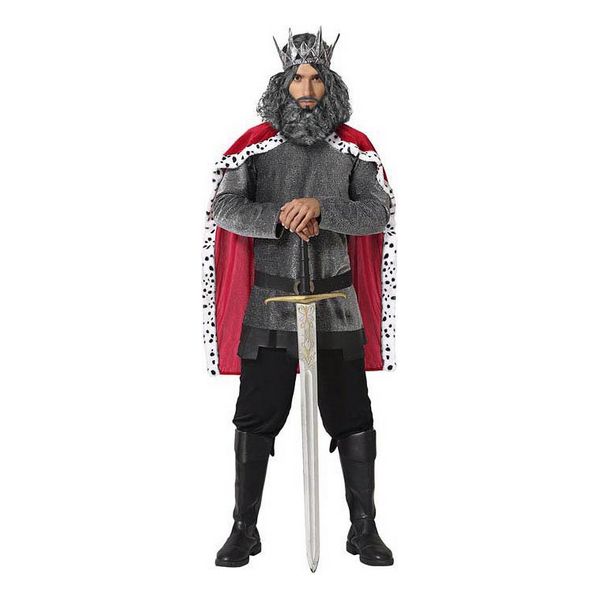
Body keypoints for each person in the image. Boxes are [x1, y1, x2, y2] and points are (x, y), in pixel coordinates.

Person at [202, 27, 398, 567]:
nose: (306, 89)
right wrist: (282, 215)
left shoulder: (354, 148)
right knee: (256, 416)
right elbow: (224, 208)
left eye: (316, 78)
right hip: (269, 305)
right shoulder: (255, 147)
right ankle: (244, 528)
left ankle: (364, 528)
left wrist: (323, 207)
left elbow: (378, 212)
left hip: (336, 305)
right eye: (297, 79)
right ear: (282, 84)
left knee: (351, 415)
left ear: (330, 84)